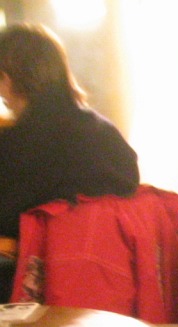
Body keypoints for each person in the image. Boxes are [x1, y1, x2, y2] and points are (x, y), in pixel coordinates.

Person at [0, 22, 139, 300]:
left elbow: (6, 219)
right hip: (113, 288)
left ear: (7, 78)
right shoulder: (106, 132)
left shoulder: (17, 142)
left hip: (34, 288)